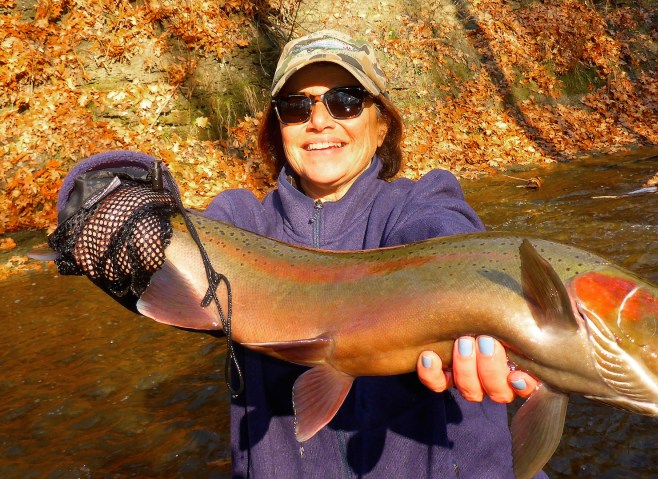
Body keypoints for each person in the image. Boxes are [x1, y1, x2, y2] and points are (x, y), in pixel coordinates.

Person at [54, 30, 545, 478]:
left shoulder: (424, 202)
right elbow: (94, 200)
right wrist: (114, 201)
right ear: (278, 130)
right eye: (295, 106)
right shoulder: (241, 220)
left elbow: (448, 239)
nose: (319, 120)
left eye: (346, 101)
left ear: (381, 125)